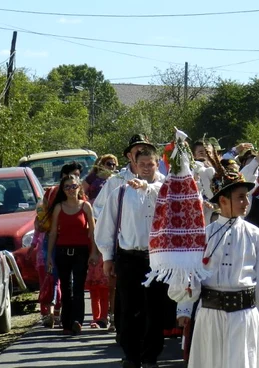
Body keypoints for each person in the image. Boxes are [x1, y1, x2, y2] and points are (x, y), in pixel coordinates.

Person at [175, 170, 259, 368]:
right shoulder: (203, 236)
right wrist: (183, 303)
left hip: (243, 316)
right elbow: (190, 278)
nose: (246, 202)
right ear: (224, 200)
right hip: (209, 315)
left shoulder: (255, 235)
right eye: (240, 197)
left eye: (247, 197)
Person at [95, 148, 167, 368]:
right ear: (134, 165)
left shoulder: (165, 189)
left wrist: (147, 186)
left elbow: (165, 194)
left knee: (155, 309)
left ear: (157, 164)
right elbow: (106, 224)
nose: (146, 167)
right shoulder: (121, 191)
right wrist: (107, 257)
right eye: (141, 163)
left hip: (157, 258)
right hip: (128, 257)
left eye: (150, 164)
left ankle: (151, 355)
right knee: (129, 308)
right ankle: (131, 356)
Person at [46, 175, 98, 335]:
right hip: (62, 251)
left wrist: (94, 252)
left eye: (73, 186)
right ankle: (66, 323)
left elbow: (92, 231)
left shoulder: (86, 206)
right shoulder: (59, 208)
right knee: (66, 288)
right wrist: (49, 255)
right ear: (63, 190)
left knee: (78, 288)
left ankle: (77, 321)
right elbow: (53, 232)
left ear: (79, 188)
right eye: (67, 187)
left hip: (81, 252)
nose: (70, 189)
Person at [32, 162, 83, 328]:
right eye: (74, 175)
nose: (76, 179)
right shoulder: (56, 194)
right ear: (64, 177)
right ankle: (58, 315)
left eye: (77, 176)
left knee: (62, 280)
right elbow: (46, 222)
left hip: (73, 243)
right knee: (61, 280)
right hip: (56, 241)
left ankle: (63, 316)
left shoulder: (79, 198)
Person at [82, 154, 117, 329]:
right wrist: (92, 204)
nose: (111, 167)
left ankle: (111, 312)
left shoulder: (115, 180)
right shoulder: (92, 178)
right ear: (101, 164)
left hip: (111, 219)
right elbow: (82, 192)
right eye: (109, 164)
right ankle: (103, 314)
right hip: (95, 217)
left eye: (114, 164)